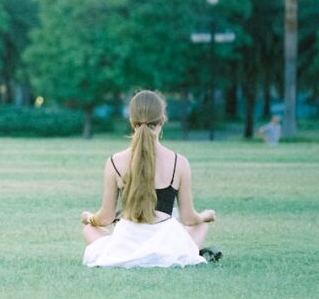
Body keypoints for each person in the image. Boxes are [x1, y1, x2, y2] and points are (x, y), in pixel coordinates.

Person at [81, 90, 218, 268]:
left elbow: (105, 218)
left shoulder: (114, 162)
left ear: (132, 121)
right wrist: (206, 216)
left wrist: (89, 218)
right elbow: (189, 219)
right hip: (167, 241)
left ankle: (134, 253)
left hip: (127, 241)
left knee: (89, 229)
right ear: (162, 120)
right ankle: (163, 254)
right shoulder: (179, 162)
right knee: (201, 226)